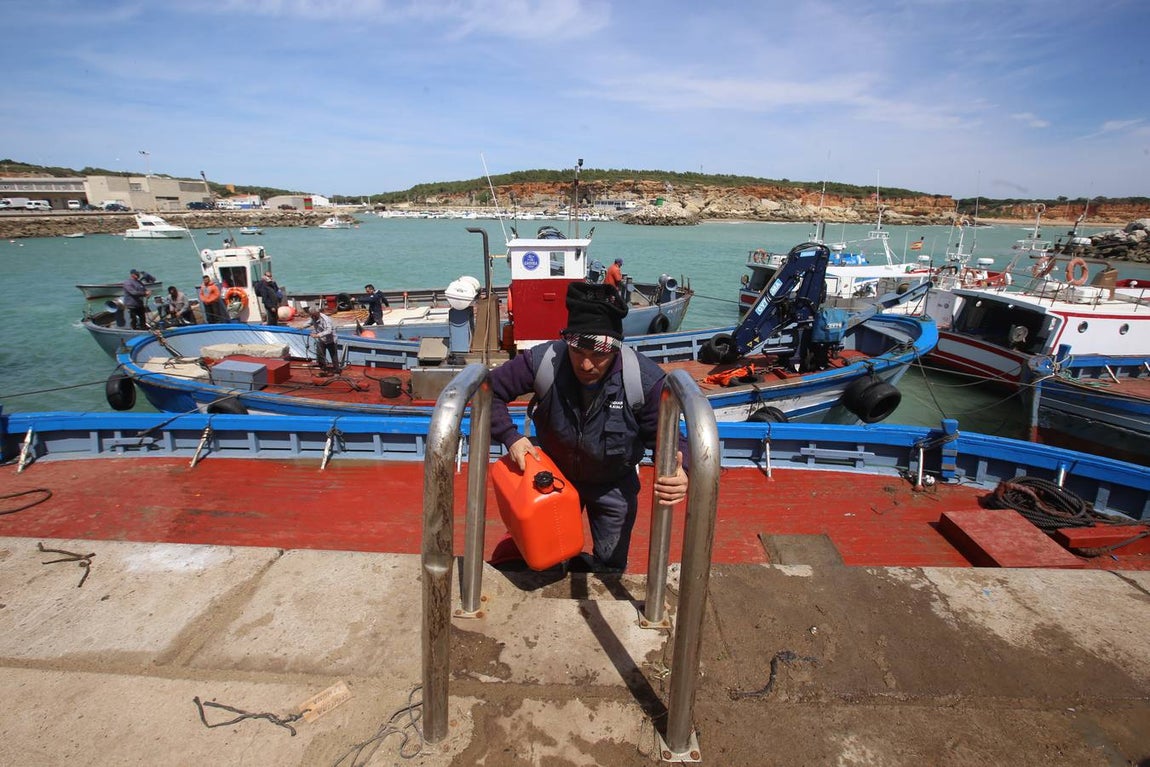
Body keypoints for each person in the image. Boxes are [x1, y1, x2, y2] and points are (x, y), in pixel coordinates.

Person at [488, 282, 689, 572]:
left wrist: (681, 471)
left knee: (610, 566)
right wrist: (512, 437)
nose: (585, 364)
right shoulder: (545, 361)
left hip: (613, 483)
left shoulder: (644, 381)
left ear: (616, 348)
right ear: (567, 342)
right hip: (554, 478)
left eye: (599, 354)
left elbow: (667, 437)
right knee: (544, 561)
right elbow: (489, 390)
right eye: (577, 351)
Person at [307, 306, 340, 374]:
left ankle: (337, 371)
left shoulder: (325, 319)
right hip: (322, 340)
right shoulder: (313, 317)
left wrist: (317, 335)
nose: (312, 317)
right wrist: (302, 326)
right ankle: (323, 369)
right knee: (320, 354)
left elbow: (328, 331)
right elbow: (309, 322)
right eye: (311, 315)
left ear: (317, 313)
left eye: (313, 315)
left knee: (333, 356)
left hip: (331, 340)